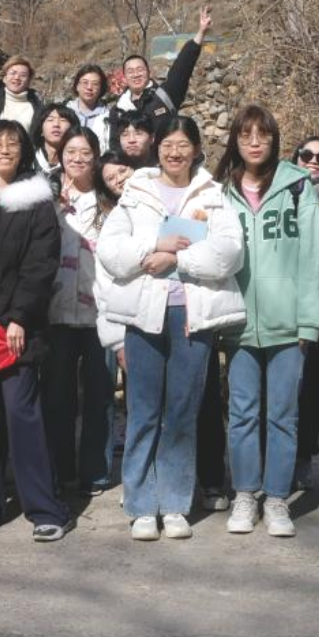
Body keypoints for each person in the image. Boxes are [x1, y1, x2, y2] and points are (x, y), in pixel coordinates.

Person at [98, 115, 243, 541]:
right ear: (156, 148)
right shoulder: (137, 192)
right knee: (143, 412)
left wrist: (177, 259)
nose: (174, 152)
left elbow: (230, 252)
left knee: (182, 411)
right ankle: (142, 504)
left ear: (196, 150)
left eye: (183, 145)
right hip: (145, 315)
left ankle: (176, 502)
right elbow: (110, 250)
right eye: (167, 144)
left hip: (192, 316)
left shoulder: (213, 195)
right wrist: (154, 244)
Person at [217, 104, 319, 538]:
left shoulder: (297, 186)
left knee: (283, 415)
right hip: (238, 322)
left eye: (262, 134)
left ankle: (277, 499)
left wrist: (308, 323)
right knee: (242, 413)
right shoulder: (221, 191)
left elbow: (313, 258)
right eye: (246, 135)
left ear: (274, 140)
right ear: (235, 141)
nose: (254, 142)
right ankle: (246, 494)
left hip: (288, 325)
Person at [0, 121, 71, 541]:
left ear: (24, 151)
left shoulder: (37, 203)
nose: (4, 149)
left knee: (22, 415)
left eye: (13, 143)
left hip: (17, 329)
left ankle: (44, 508)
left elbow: (41, 266)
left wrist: (20, 317)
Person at [41, 129, 119, 496]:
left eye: (85, 152)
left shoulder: (110, 201)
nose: (77, 159)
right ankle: (59, 470)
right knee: (57, 397)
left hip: (101, 314)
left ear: (96, 156)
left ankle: (96, 471)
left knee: (100, 396)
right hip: (56, 312)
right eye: (70, 151)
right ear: (60, 156)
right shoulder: (48, 199)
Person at [290, 135, 319, 490]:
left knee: (311, 388)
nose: (313, 161)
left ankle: (303, 456)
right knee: (282, 389)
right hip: (283, 305)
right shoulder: (280, 194)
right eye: (307, 154)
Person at [109, 8, 211, 143]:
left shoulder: (165, 95)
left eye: (140, 70)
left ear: (149, 73)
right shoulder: (118, 110)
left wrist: (201, 33)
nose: (136, 75)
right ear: (125, 78)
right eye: (130, 72)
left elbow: (182, 67)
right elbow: (115, 144)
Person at [66, 64, 113, 148]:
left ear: (101, 89)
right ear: (77, 86)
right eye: (85, 82)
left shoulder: (108, 117)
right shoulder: (65, 113)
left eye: (95, 84)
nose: (89, 87)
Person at [31, 102, 81, 180]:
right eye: (50, 120)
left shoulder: (76, 163)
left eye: (63, 120)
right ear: (41, 130)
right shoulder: (29, 161)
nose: (56, 124)